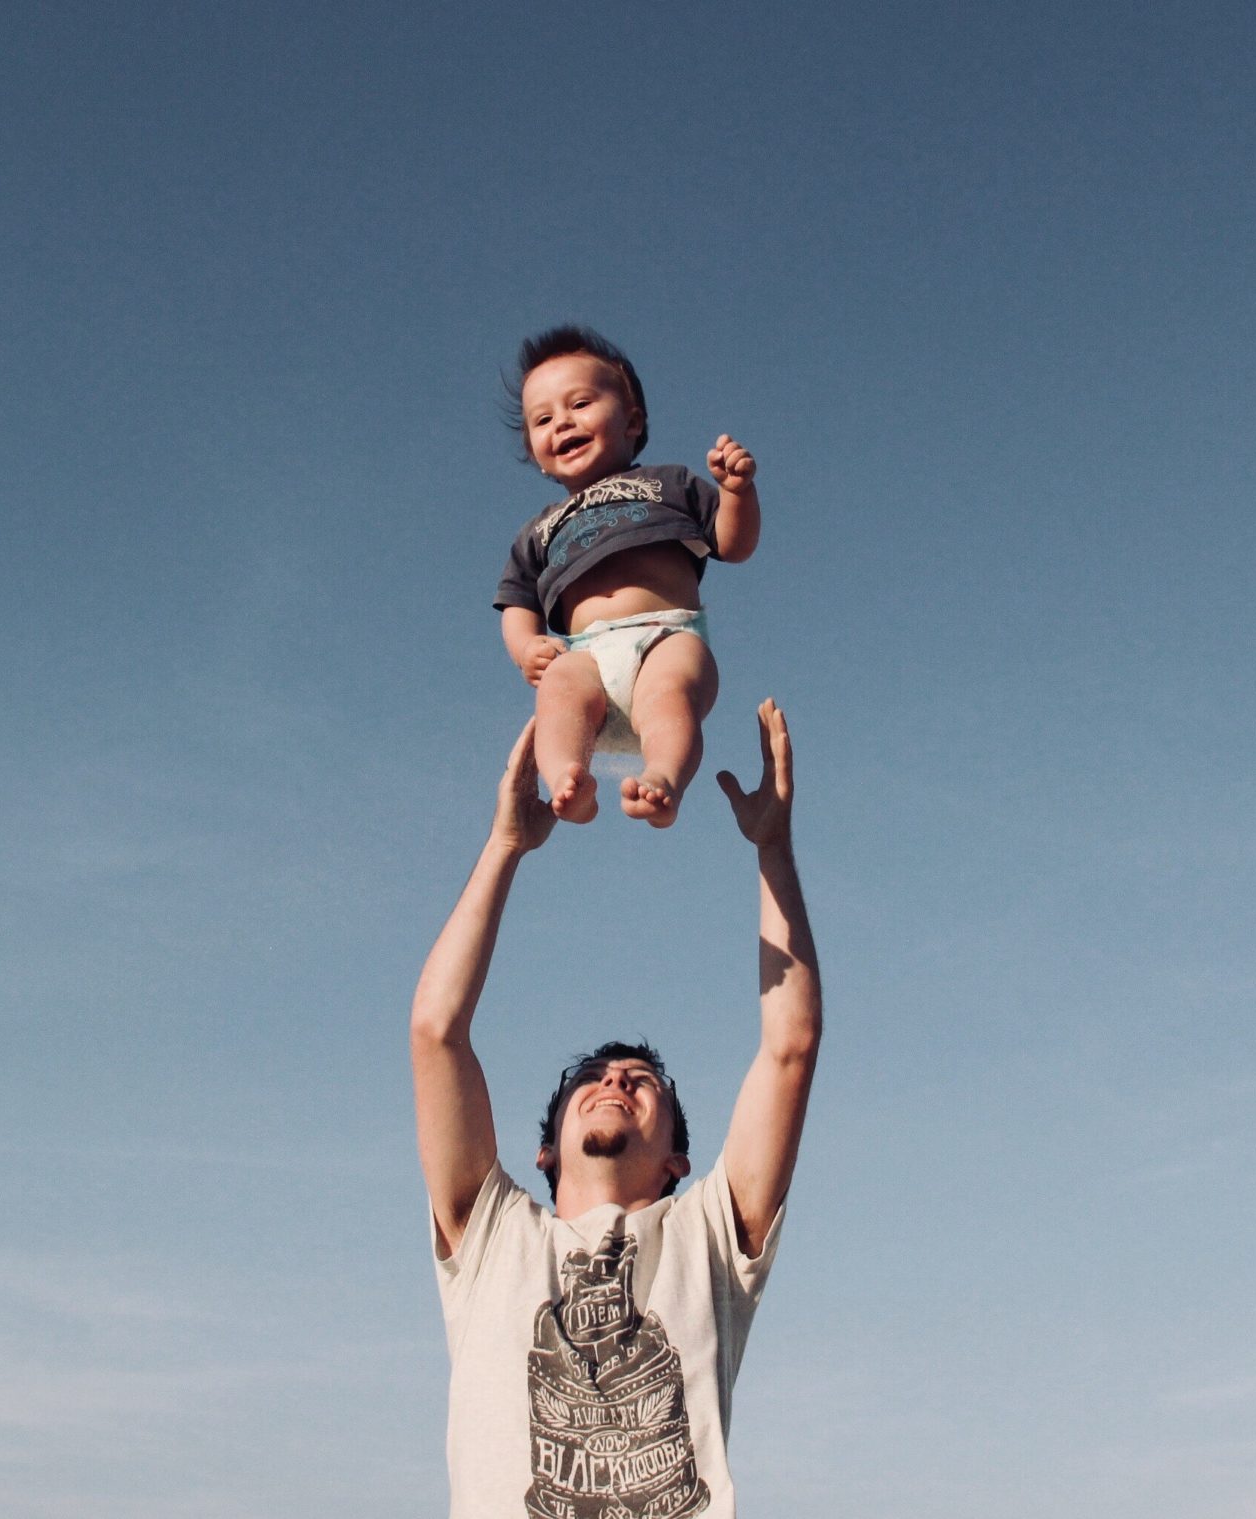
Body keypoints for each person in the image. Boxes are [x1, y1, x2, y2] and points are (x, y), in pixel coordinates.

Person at [411, 700, 820, 1518]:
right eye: (592, 1077)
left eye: (643, 1080)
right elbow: (436, 1031)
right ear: (545, 1151)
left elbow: (790, 1046)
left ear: (678, 1160)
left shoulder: (708, 1236)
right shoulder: (493, 1237)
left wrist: (773, 847)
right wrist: (504, 846)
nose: (616, 1081)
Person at [495, 326, 763, 828]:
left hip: (668, 634)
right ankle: (568, 780)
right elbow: (517, 601)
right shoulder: (539, 530)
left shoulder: (669, 483)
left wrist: (736, 494)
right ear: (534, 451)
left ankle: (663, 778)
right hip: (586, 653)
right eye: (544, 418)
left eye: (580, 404)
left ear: (632, 420)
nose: (563, 423)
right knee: (558, 690)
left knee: (668, 696)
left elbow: (733, 545)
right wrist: (526, 648)